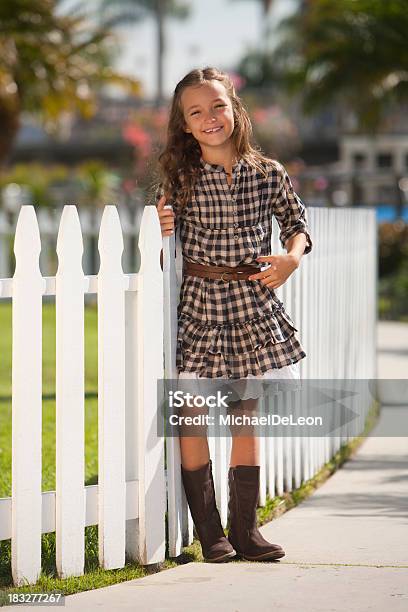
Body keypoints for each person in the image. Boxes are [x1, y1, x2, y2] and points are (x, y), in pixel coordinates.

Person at [153, 67, 313, 563]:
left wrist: (291, 257)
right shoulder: (180, 178)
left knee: (246, 418)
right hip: (201, 304)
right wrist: (157, 224)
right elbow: (160, 248)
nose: (209, 118)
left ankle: (247, 533)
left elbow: (296, 224)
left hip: (251, 304)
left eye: (217, 106)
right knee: (193, 415)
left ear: (235, 109)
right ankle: (211, 535)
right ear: (184, 125)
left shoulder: (268, 172)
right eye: (195, 112)